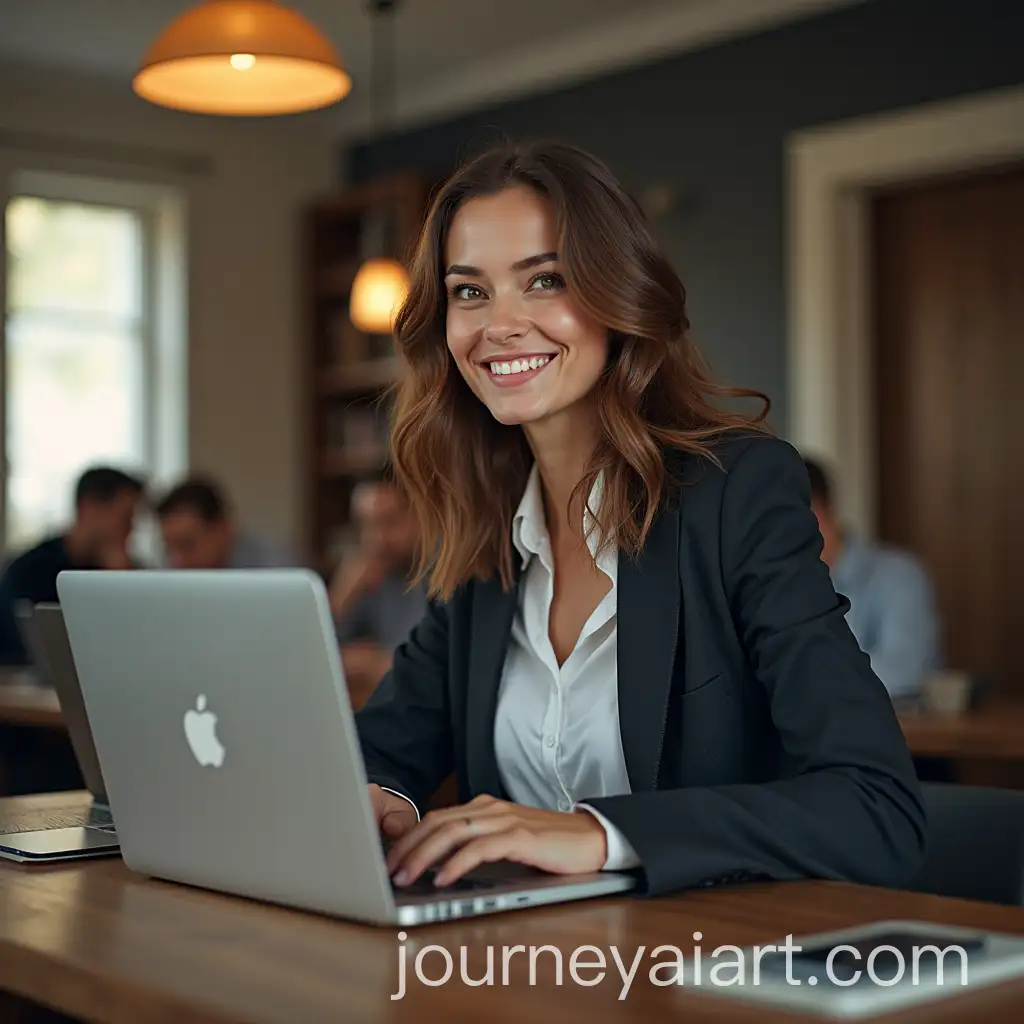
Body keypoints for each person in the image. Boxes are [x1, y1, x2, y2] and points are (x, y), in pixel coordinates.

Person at [354, 141, 926, 898]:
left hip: (708, 974)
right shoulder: (486, 528)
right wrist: (382, 800)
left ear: (617, 293)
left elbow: (876, 807)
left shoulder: (737, 496)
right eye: (469, 292)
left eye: (545, 280)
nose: (500, 325)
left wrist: (601, 833)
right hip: (512, 970)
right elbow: (381, 751)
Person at [803, 457, 941, 704]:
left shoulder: (898, 574)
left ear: (819, 512)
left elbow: (903, 670)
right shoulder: (781, 584)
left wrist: (807, 679)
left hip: (898, 733)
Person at [0, 466, 144, 665]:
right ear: (89, 508)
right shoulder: (27, 570)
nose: (131, 530)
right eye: (126, 517)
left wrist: (120, 583)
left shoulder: (129, 570)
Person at [330, 475, 426, 692]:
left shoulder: (442, 576)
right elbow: (322, 654)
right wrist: (341, 596)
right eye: (366, 525)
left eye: (389, 523)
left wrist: (376, 662)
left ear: (420, 518)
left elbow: (434, 665)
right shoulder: (367, 573)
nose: (376, 539)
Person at [154, 477, 295, 571]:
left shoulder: (276, 569)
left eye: (187, 545)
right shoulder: (173, 573)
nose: (178, 562)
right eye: (168, 549)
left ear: (224, 529)